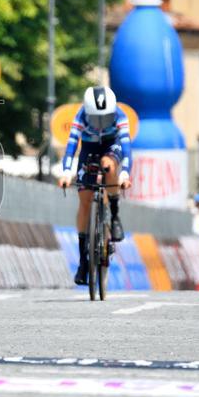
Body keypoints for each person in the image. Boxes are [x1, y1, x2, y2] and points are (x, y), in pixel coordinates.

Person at [58, 85, 132, 285]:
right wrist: (66, 172)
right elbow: (71, 146)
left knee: (108, 165)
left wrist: (125, 173)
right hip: (89, 148)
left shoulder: (121, 116)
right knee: (84, 200)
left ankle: (114, 215)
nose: (100, 124)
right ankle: (83, 262)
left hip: (111, 145)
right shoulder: (80, 116)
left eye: (105, 119)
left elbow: (126, 149)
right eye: (96, 119)